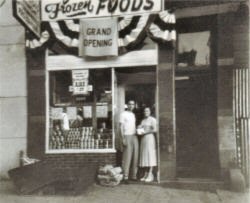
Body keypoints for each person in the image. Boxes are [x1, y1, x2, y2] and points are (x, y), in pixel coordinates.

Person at [119, 100, 138, 183]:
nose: (131, 106)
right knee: (127, 157)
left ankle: (133, 175)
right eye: (130, 104)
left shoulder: (133, 115)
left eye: (133, 104)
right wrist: (122, 138)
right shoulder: (123, 114)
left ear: (134, 105)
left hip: (134, 136)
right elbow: (120, 127)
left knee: (135, 156)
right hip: (127, 136)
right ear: (127, 105)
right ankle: (125, 176)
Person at [137, 107, 157, 182]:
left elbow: (155, 130)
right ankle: (145, 174)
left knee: (150, 155)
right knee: (145, 156)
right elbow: (140, 131)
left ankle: (150, 174)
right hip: (143, 139)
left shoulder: (152, 120)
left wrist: (146, 132)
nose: (146, 112)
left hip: (150, 139)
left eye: (147, 111)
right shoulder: (143, 120)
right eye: (144, 111)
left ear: (150, 112)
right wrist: (138, 128)